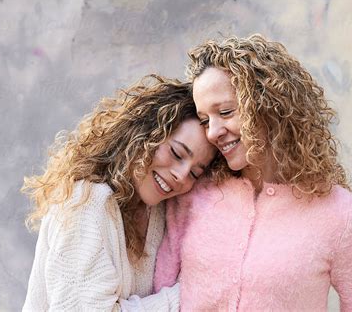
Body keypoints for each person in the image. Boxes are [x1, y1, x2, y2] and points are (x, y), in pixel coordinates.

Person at [154, 35, 352, 311]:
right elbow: (160, 291)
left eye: (225, 112)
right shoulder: (194, 192)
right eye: (205, 120)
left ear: (268, 105)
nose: (213, 132)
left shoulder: (341, 216)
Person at [21, 75, 218, 311]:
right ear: (144, 135)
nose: (182, 175)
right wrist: (184, 298)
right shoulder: (85, 203)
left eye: (195, 173)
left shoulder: (157, 210)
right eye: (176, 154)